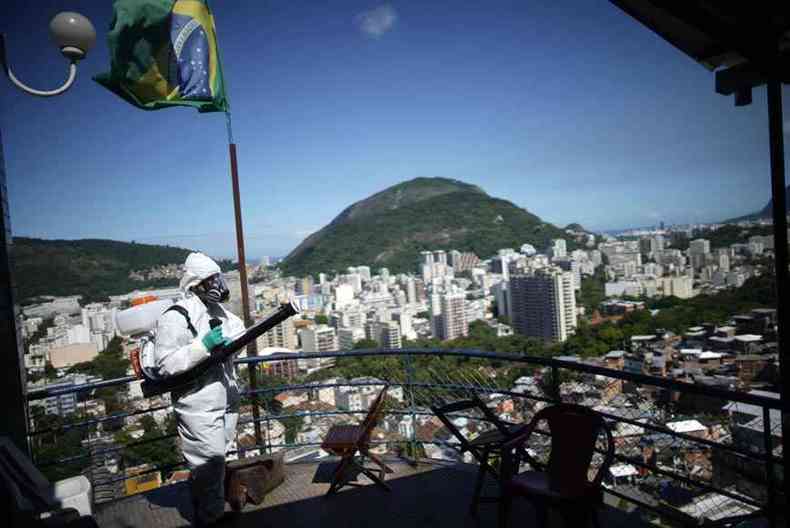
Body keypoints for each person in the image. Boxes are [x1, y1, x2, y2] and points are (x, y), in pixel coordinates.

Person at [154, 252, 246, 526]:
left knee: (217, 463)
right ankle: (212, 518)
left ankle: (208, 510)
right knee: (210, 465)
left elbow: (239, 333)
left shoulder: (218, 312)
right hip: (199, 405)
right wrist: (202, 346)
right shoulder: (176, 317)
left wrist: (230, 341)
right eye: (211, 279)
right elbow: (166, 364)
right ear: (195, 283)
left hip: (225, 401)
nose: (218, 284)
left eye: (218, 277)